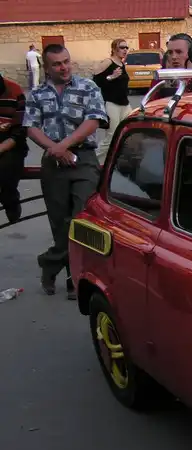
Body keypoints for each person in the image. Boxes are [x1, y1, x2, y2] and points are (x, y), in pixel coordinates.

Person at [23, 44, 108, 299]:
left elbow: (94, 120)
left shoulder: (88, 87)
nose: (64, 67)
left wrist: (65, 145)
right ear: (47, 68)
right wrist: (55, 150)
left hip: (83, 159)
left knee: (81, 220)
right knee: (59, 222)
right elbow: (31, 127)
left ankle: (55, 265)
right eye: (57, 64)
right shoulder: (37, 93)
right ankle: (66, 273)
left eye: (66, 61)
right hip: (54, 163)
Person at [93, 38, 132, 163]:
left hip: (125, 104)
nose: (125, 50)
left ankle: (115, 160)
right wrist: (111, 77)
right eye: (122, 47)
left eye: (126, 47)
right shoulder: (108, 62)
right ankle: (93, 160)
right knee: (111, 136)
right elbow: (95, 80)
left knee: (129, 130)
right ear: (114, 49)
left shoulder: (121, 64)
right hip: (112, 103)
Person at [0, 72, 27, 224]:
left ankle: (10, 198)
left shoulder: (14, 91)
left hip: (12, 144)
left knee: (7, 165)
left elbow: (21, 130)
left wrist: (2, 147)